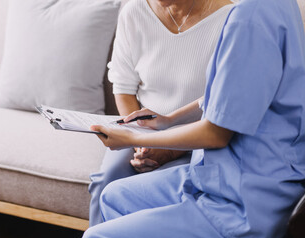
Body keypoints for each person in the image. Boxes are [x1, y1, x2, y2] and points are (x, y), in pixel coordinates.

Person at [83, 0, 305, 238]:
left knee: (95, 236)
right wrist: (168, 120)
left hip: (241, 197)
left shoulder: (247, 19)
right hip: (224, 171)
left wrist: (132, 137)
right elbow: (228, 92)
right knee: (113, 195)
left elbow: (215, 134)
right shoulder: (274, 5)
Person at [89, 0, 234, 226]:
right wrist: (142, 144)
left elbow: (220, 104)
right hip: (142, 130)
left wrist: (169, 149)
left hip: (196, 139)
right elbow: (124, 87)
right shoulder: (134, 12)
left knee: (158, 191)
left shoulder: (230, 18)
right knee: (106, 179)